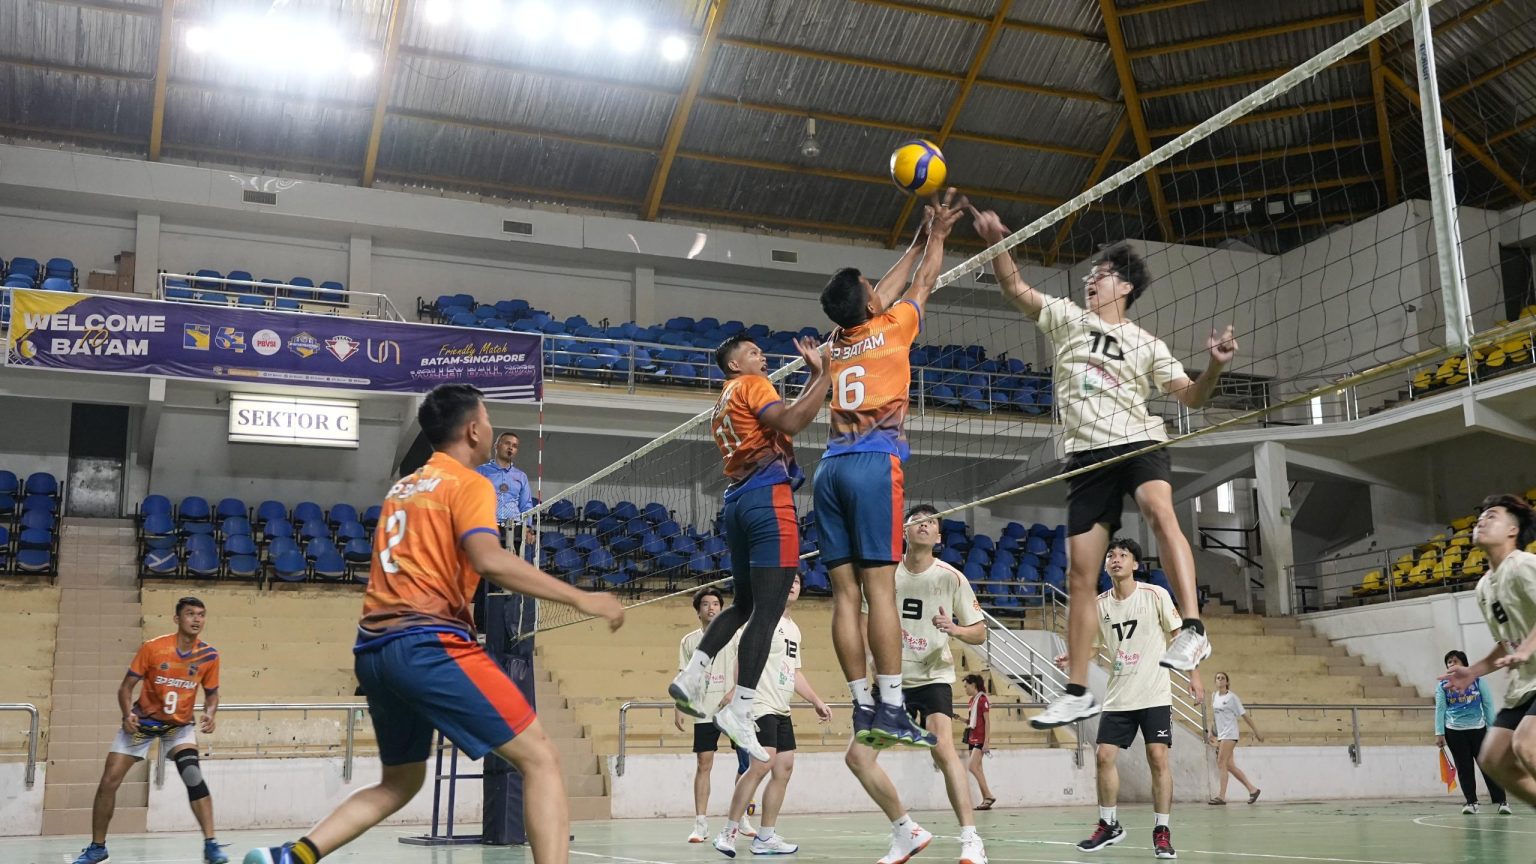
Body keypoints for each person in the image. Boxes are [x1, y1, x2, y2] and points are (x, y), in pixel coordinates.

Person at [243, 384, 625, 864]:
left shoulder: (402, 489)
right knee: (542, 758)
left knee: (401, 781)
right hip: (427, 642)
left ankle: (292, 855)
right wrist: (581, 598)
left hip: (373, 650)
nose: (492, 428)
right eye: (488, 419)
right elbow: (489, 559)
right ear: (474, 430)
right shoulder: (470, 484)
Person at [971, 209, 1234, 729]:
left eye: (1104, 274)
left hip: (1138, 440)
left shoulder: (1148, 344)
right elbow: (1015, 287)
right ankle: (1076, 692)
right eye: (1091, 274)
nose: (1092, 279)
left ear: (1126, 287)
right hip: (1087, 458)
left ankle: (1193, 629)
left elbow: (1192, 397)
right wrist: (1000, 243)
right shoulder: (1068, 318)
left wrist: (1216, 366)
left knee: (1158, 510)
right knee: (1079, 574)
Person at [815, 189, 965, 749]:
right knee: (881, 590)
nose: (881, 290)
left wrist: (919, 237)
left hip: (830, 468)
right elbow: (920, 282)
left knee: (844, 596)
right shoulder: (894, 325)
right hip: (874, 465)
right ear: (872, 303)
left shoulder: (834, 343)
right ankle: (894, 707)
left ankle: (862, 708)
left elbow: (886, 287)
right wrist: (938, 238)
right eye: (873, 289)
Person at [671, 333, 831, 762]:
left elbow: (782, 420)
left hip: (738, 502)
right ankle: (741, 709)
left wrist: (814, 376)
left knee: (743, 605)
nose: (762, 357)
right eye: (753, 352)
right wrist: (825, 375)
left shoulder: (724, 399)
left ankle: (693, 674)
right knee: (768, 611)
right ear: (734, 365)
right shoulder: (752, 384)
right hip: (768, 500)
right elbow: (792, 422)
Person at [844, 505, 988, 864]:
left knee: (943, 747)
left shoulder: (952, 577)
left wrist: (955, 629)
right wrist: (871, 658)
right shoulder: (884, 573)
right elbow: (862, 620)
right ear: (904, 531)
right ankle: (905, 830)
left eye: (931, 522)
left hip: (933, 676)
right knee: (857, 758)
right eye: (917, 521)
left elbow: (980, 632)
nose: (924, 525)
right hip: (891, 678)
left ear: (939, 536)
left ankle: (971, 839)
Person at [1056, 538, 1201, 860]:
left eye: (1123, 555)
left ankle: (1162, 831)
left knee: (1157, 757)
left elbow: (1179, 635)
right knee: (1104, 756)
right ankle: (1108, 825)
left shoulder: (1155, 594)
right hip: (1119, 696)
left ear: (1135, 564)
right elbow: (1095, 647)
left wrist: (1194, 676)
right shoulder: (1100, 605)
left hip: (1154, 693)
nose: (1116, 559)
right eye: (1111, 555)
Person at [73, 597, 226, 864]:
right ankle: (98, 848)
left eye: (201, 614)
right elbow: (125, 688)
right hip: (142, 725)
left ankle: (211, 844)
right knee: (109, 782)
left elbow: (212, 694)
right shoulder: (153, 648)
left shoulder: (209, 656)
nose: (196, 619)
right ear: (177, 619)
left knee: (193, 775)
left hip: (178, 728)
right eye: (190, 614)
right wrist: (127, 714)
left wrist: (210, 713)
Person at [713, 573, 833, 857]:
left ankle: (765, 837)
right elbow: (743, 658)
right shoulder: (761, 618)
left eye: (797, 582)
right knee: (761, 764)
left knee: (784, 767)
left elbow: (794, 672)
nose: (792, 585)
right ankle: (728, 831)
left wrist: (816, 700)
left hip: (781, 706)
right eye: (787, 580)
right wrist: (740, 696)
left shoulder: (794, 629)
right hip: (759, 703)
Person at [1439, 493, 1536, 809]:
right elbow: (1507, 642)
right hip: (1525, 686)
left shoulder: (1523, 565)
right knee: (1494, 758)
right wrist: (1472, 672)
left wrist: (1527, 650)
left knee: (1527, 745)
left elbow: (1523, 644)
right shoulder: (1484, 587)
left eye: (1492, 516)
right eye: (1480, 517)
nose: (1482, 521)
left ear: (1512, 530)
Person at [677, 586, 757, 842]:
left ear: (722, 609)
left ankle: (741, 817)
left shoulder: (736, 635)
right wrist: (679, 706)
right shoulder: (689, 641)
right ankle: (700, 823)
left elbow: (748, 666)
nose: (711, 608)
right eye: (705, 604)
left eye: (715, 604)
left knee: (746, 765)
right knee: (704, 764)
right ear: (698, 611)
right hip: (704, 709)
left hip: (734, 709)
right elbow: (684, 676)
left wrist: (734, 691)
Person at [1435, 650, 1509, 814]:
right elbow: (1440, 709)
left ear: (1464, 664)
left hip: (1478, 730)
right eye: (1449, 662)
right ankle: (1471, 802)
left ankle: (1502, 801)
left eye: (1455, 661)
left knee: (1488, 765)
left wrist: (1492, 729)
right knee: (1464, 768)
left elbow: (1488, 705)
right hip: (1454, 732)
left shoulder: (1478, 681)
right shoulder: (1442, 686)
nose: (1451, 664)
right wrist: (1439, 732)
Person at [1207, 671, 1262, 805]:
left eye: (1223, 678)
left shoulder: (1232, 698)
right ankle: (1253, 790)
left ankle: (1221, 797)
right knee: (1229, 766)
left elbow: (1245, 716)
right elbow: (1214, 716)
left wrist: (1256, 731)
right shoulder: (1214, 696)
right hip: (1221, 735)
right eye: (1218, 678)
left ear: (1227, 682)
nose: (1220, 680)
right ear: (1215, 681)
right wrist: (1211, 732)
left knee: (1221, 762)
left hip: (1230, 734)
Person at [476, 430, 533, 545]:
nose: (511, 447)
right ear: (496, 446)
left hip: (515, 529)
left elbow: (526, 505)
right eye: (507, 443)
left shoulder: (521, 476)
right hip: (488, 526)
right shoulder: (481, 471)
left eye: (515, 446)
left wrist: (527, 528)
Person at [962, 674, 996, 811]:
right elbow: (972, 721)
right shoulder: (972, 701)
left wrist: (986, 742)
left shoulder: (982, 700)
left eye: (966, 686)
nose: (965, 689)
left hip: (980, 739)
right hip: (972, 737)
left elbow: (987, 722)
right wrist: (959, 718)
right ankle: (986, 799)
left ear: (973, 685)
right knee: (978, 769)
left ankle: (989, 795)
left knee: (972, 767)